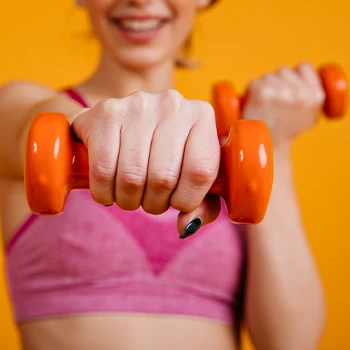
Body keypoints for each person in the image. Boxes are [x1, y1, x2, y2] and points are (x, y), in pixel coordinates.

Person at [0, 0, 326, 349]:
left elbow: (291, 343)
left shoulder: (227, 155)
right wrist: (87, 123)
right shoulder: (17, 106)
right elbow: (32, 127)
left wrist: (272, 148)